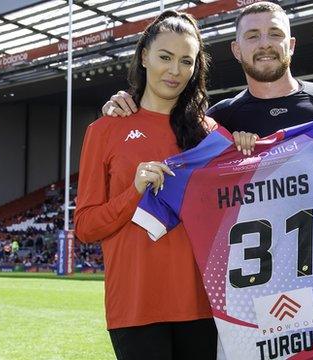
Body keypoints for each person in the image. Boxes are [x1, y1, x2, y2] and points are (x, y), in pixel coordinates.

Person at [102, 2, 313, 199]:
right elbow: (179, 174)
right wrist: (130, 109)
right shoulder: (220, 120)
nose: (265, 43)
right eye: (253, 36)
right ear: (236, 50)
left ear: (291, 45)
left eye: (275, 33)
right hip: (246, 289)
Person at [74, 11, 218, 359]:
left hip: (202, 306)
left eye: (186, 61)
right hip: (135, 306)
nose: (174, 70)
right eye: (165, 57)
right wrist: (134, 191)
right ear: (144, 56)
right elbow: (85, 227)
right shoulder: (104, 130)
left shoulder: (210, 133)